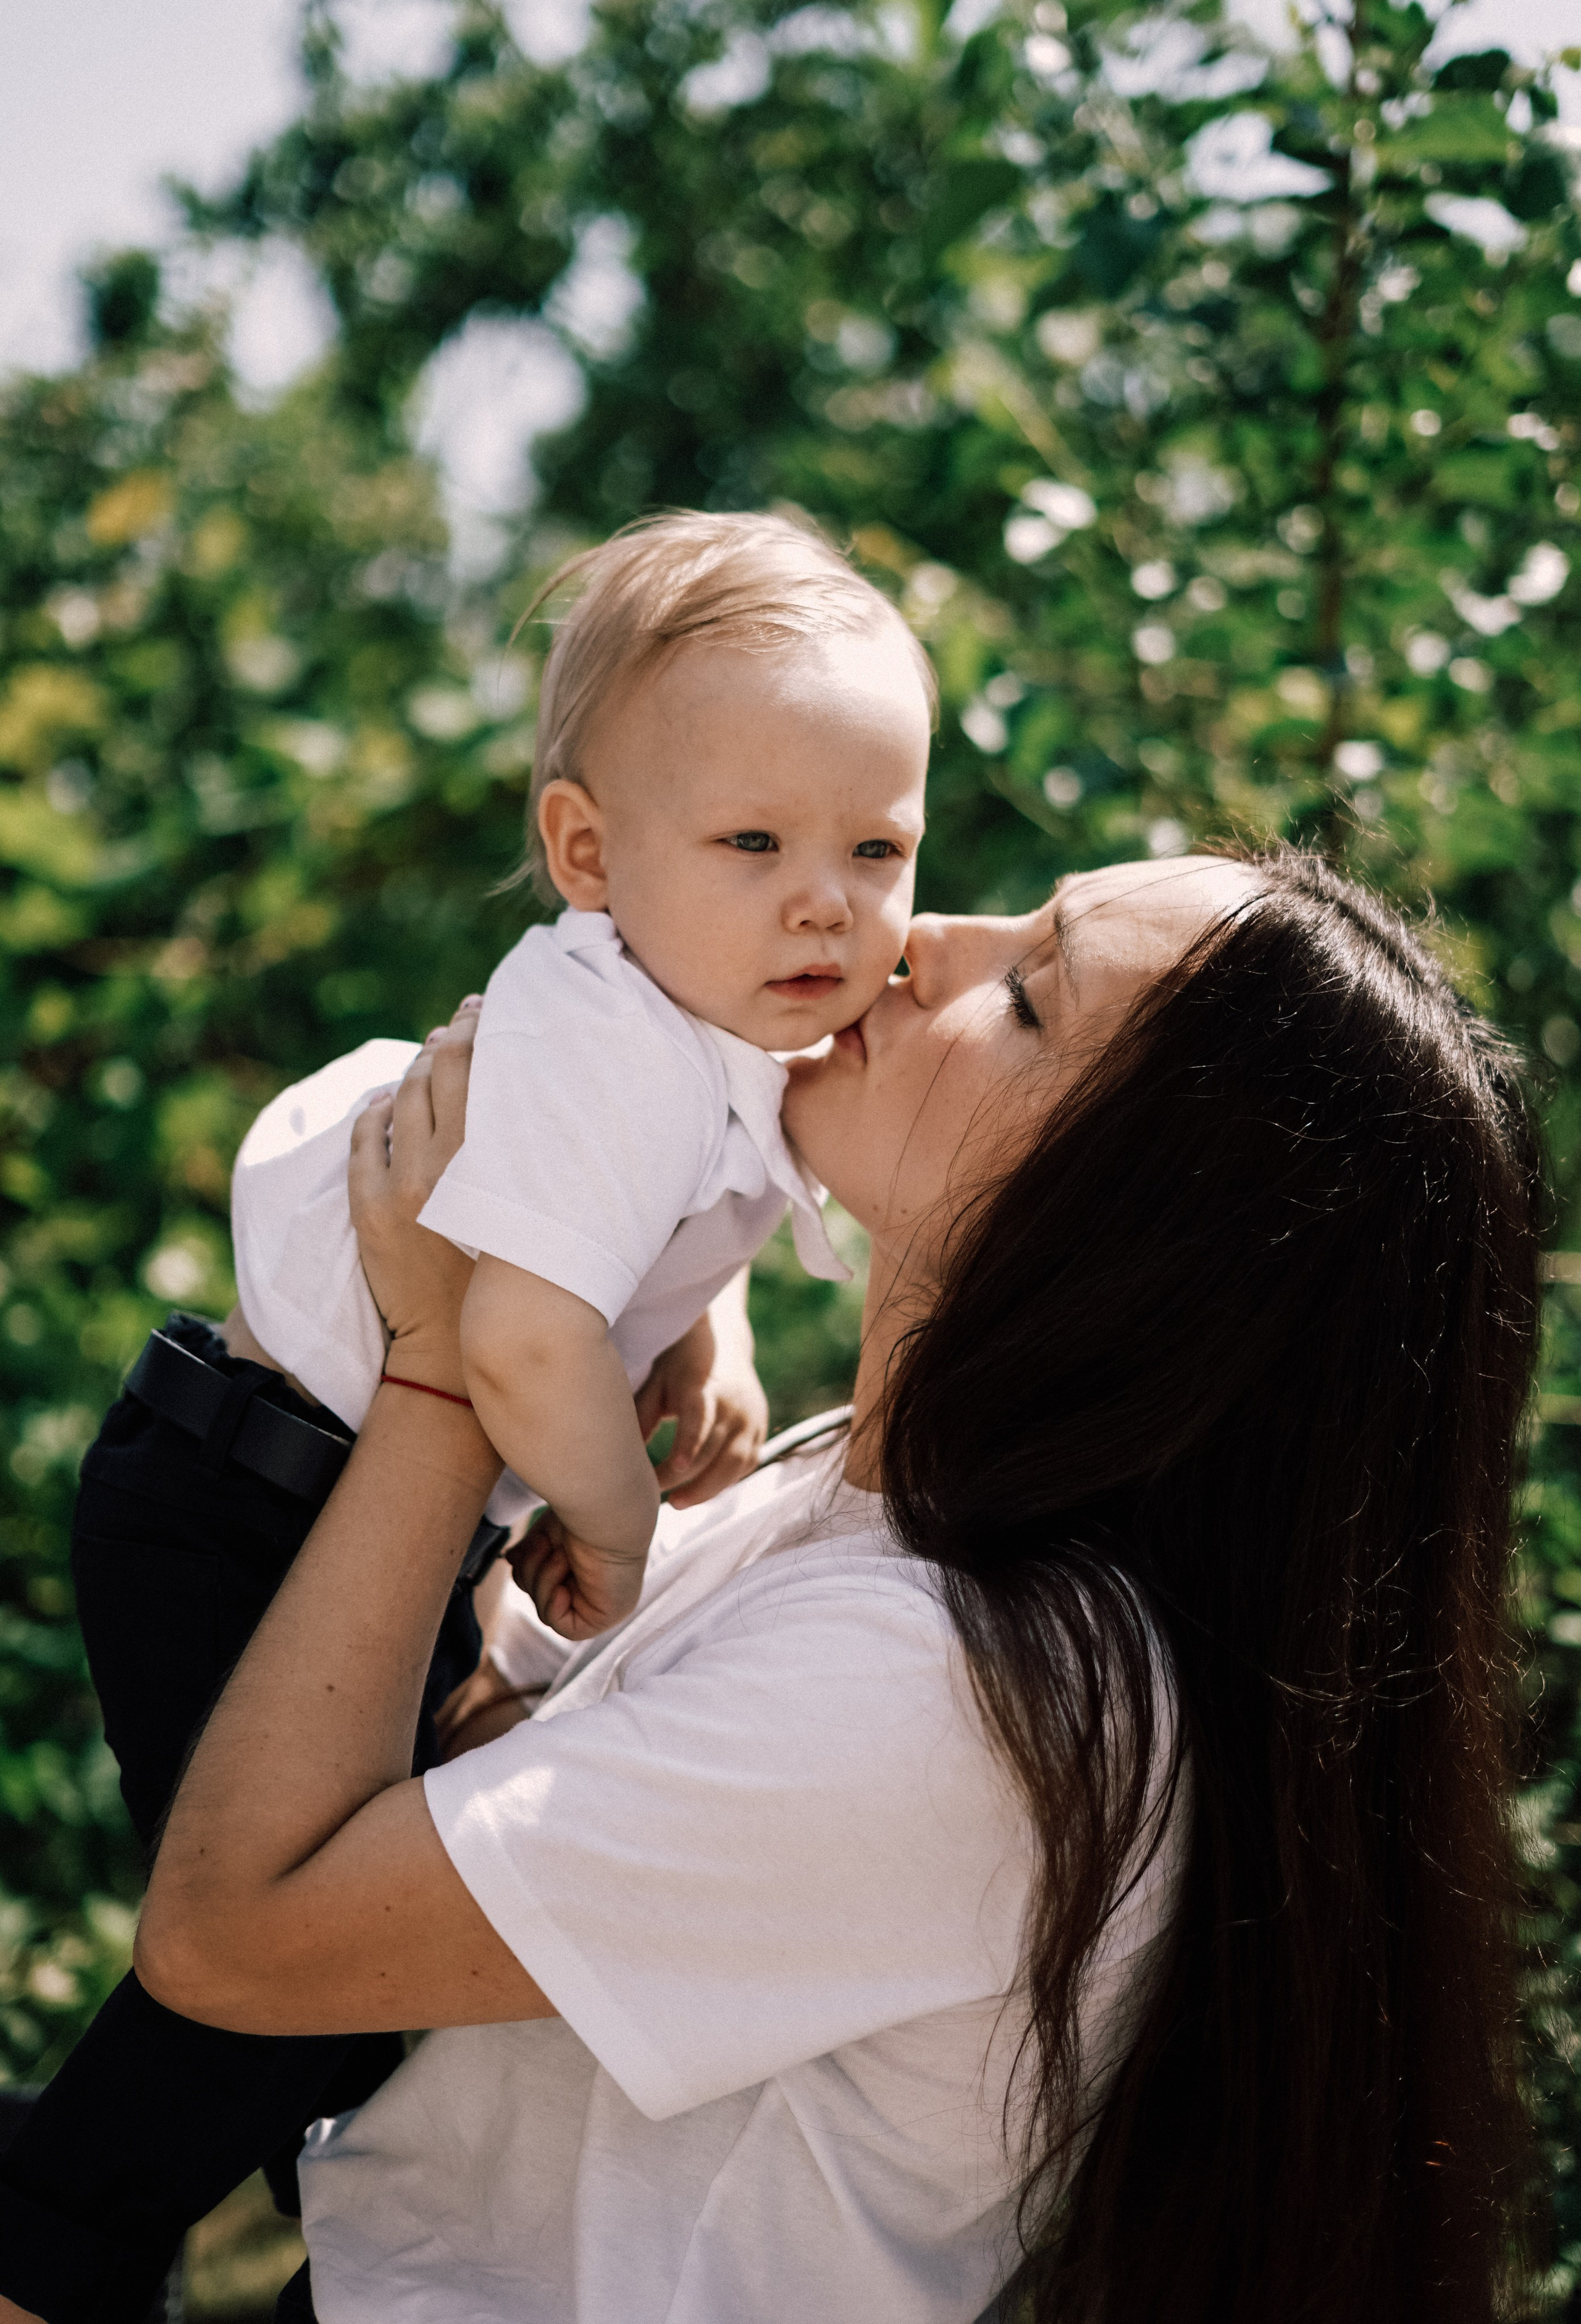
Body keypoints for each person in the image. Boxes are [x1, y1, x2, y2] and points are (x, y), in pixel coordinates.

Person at [2, 848, 1543, 2324]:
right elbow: (460, 1782)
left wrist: (444, 1365)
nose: (919, 935)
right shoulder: (864, 1507)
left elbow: (239, 1942)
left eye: (1024, 996)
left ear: (1145, 1242)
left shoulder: (959, 1693)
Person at [232, 508, 933, 1637]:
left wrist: (715, 1324)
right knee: (277, 1816)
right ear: (590, 852)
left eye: (877, 849)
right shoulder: (621, 1049)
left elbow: (681, 1179)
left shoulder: (713, 1009)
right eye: (754, 843)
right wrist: (615, 1525)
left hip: (329, 1481)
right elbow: (521, 1338)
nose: (827, 900)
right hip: (250, 1498)